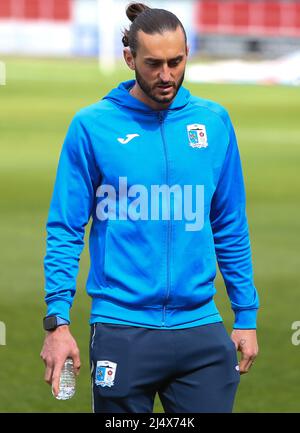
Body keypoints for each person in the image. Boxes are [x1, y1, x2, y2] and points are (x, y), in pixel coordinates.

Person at [40, 2, 259, 413]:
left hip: (201, 332)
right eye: (154, 63)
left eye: (176, 62)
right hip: (122, 329)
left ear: (187, 53)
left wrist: (245, 314)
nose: (166, 75)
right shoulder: (91, 126)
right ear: (129, 59)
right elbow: (66, 229)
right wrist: (57, 321)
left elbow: (229, 223)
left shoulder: (213, 122)